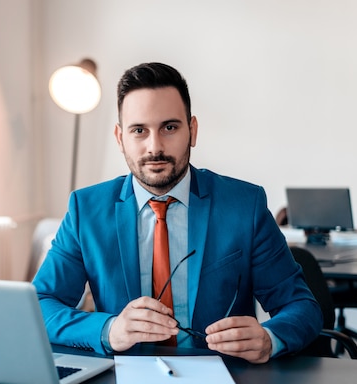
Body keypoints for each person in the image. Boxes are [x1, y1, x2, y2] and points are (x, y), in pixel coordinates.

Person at [33, 62, 322, 364]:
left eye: (169, 127)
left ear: (192, 131)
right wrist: (108, 330)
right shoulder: (87, 210)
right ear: (120, 138)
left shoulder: (244, 205)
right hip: (121, 382)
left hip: (226, 382)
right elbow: (41, 304)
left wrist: (269, 339)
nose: (154, 146)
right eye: (139, 131)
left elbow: (301, 306)